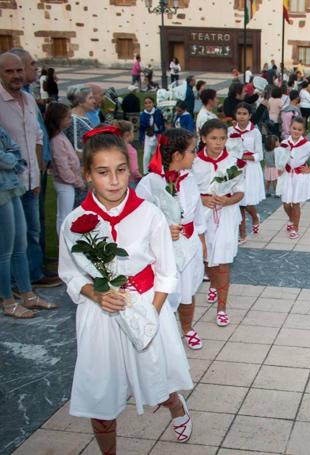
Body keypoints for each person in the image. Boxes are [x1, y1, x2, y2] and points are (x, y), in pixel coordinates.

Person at [58, 127, 193, 452]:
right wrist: (96, 293)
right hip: (101, 315)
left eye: (120, 170)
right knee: (102, 400)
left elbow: (166, 271)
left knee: (156, 382)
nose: (115, 181)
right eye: (103, 172)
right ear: (88, 174)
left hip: (147, 308)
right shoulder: (74, 222)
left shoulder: (149, 215)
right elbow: (70, 274)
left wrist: (150, 314)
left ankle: (174, 404)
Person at [136, 127, 206, 351]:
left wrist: (201, 239)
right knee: (165, 292)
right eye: (192, 151)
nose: (195, 155)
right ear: (177, 156)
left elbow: (197, 211)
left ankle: (187, 328)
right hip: (164, 250)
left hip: (189, 244)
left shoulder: (189, 179)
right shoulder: (151, 183)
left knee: (188, 291)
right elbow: (138, 219)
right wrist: (163, 230)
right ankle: (164, 330)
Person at [0, 52, 62, 289]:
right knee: (12, 238)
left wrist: (37, 170)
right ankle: (14, 285)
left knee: (33, 230)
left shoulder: (27, 99)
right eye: (9, 71)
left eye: (18, 70)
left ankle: (30, 277)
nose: (16, 76)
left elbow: (36, 136)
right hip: (8, 181)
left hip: (31, 177)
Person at [193, 119, 243, 324]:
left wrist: (228, 200)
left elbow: (240, 191)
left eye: (222, 138)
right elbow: (185, 192)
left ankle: (222, 307)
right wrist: (202, 199)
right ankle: (213, 283)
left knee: (222, 260)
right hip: (202, 215)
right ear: (203, 139)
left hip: (226, 214)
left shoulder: (233, 161)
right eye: (213, 138)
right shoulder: (194, 162)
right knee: (206, 258)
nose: (218, 142)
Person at [1, 126, 54, 319]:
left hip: (12, 186)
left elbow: (15, 150)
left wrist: (9, 158)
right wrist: (9, 158)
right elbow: (6, 157)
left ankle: (27, 294)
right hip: (1, 191)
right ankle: (7, 301)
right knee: (5, 251)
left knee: (20, 244)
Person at [279, 117, 310, 239]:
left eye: (299, 129)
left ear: (303, 131)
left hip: (299, 177)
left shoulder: (307, 144)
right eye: (294, 128)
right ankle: (291, 219)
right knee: (286, 204)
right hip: (287, 175)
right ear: (290, 128)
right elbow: (282, 157)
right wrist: (280, 167)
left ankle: (295, 228)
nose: (296, 131)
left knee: (295, 203)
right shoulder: (285, 142)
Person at [45, 103, 85, 234]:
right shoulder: (57, 140)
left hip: (69, 182)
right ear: (58, 120)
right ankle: (63, 242)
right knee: (64, 215)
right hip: (65, 184)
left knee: (67, 214)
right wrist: (78, 182)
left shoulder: (61, 136)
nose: (70, 120)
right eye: (67, 117)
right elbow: (63, 167)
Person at [227, 103, 265, 243]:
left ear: (249, 115)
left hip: (250, 169)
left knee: (247, 203)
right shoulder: (229, 131)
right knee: (238, 203)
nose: (241, 117)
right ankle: (242, 234)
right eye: (239, 113)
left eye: (244, 114)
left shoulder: (255, 132)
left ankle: (255, 217)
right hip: (235, 169)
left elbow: (260, 155)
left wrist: (244, 157)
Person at [64, 85, 95, 153]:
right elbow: (77, 150)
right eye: (90, 98)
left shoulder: (83, 117)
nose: (94, 101)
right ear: (80, 102)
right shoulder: (74, 121)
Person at [112, 120, 142, 187]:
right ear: (127, 134)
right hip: (129, 182)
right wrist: (139, 176)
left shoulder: (112, 147)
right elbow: (134, 171)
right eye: (133, 132)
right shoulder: (131, 150)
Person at [139, 96, 165, 173]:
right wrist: (141, 138)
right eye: (146, 103)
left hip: (157, 135)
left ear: (153, 103)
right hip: (148, 136)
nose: (148, 105)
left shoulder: (157, 112)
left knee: (157, 153)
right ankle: (145, 171)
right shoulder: (143, 114)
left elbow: (162, 124)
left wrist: (162, 133)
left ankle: (160, 169)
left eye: (150, 102)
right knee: (146, 155)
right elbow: (142, 127)